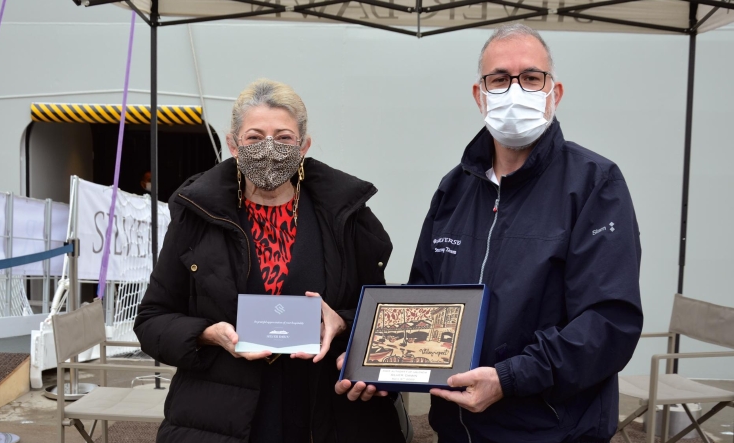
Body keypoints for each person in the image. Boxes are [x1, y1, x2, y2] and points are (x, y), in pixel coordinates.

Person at [336, 24, 643, 443]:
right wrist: (377, 360)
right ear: (480, 95)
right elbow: (425, 297)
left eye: (531, 78)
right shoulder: (454, 188)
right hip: (457, 429)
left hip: (550, 430)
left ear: (555, 92)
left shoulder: (594, 183)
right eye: (499, 79)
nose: (515, 90)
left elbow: (609, 324)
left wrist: (509, 378)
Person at [134, 79, 405, 443]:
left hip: (325, 409)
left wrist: (342, 322)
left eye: (284, 138)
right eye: (254, 137)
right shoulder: (196, 216)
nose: (269, 150)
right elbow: (152, 320)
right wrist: (207, 335)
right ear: (232, 144)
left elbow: (380, 316)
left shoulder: (346, 217)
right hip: (223, 413)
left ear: (304, 145)